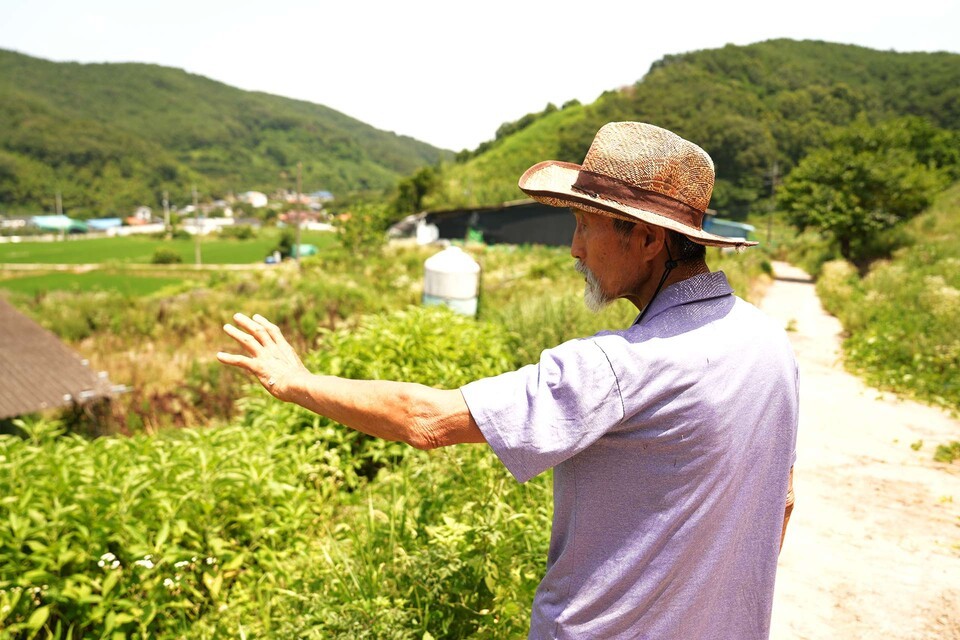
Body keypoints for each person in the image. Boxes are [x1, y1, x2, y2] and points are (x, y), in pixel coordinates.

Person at [217, 122, 799, 639]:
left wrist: (296, 382)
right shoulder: (769, 344)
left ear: (648, 240)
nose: (573, 248)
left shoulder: (619, 366)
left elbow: (426, 420)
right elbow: (783, 501)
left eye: (584, 225)